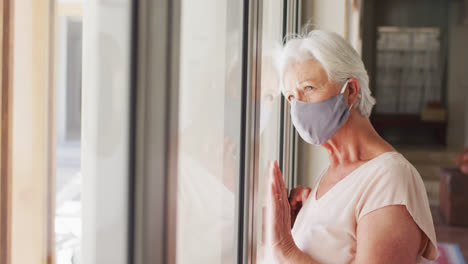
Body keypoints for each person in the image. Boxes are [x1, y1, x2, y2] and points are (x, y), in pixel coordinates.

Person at [265, 30, 438, 263]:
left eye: (308, 88)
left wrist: (284, 246)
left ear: (350, 91)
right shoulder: (331, 171)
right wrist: (301, 222)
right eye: (291, 97)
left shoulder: (391, 178)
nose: (298, 108)